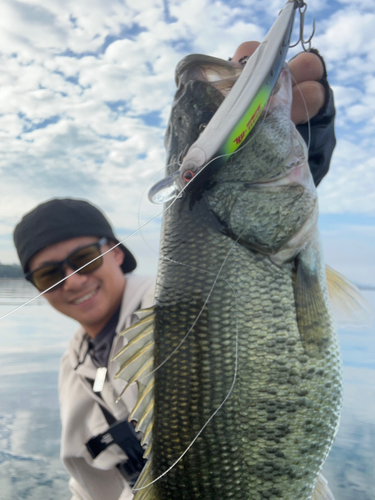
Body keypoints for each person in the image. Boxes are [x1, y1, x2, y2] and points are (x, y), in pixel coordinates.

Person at [13, 42, 336, 500]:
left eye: (84, 258)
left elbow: (243, 226)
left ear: (118, 253)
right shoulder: (73, 367)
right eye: (48, 275)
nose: (74, 280)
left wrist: (306, 136)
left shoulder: (173, 301)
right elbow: (86, 486)